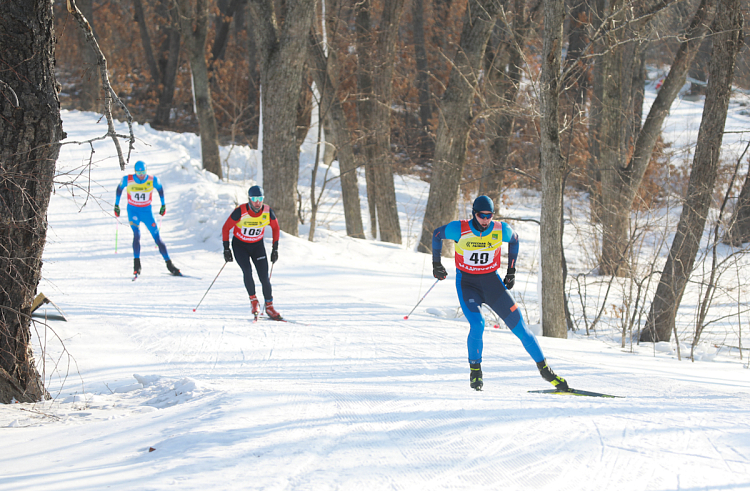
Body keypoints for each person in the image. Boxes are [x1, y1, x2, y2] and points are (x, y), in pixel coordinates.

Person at [431, 195, 568, 391]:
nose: (486, 220)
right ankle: (476, 371)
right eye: (481, 215)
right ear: (474, 214)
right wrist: (437, 264)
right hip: (468, 284)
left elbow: (515, 240)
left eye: (489, 215)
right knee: (478, 323)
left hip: (492, 283)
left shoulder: (499, 229)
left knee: (521, 328)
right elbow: (437, 234)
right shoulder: (459, 228)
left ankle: (546, 371)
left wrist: (511, 271)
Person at [222, 185, 282, 321]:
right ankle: (254, 301)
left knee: (264, 277)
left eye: (260, 198)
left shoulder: (267, 212)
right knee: (247, 271)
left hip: (257, 246)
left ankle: (269, 306)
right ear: (249, 199)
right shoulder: (240, 212)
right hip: (240, 246)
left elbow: (276, 228)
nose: (257, 202)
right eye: (254, 199)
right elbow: (226, 228)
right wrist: (226, 248)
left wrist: (275, 248)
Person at [114, 160, 181, 276]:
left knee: (157, 238)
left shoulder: (152, 180)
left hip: (147, 212)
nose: (141, 175)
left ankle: (170, 264)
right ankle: (137, 265)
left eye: (143, 172)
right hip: (133, 211)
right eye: (139, 173)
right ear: (135, 172)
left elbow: (160, 190)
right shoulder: (127, 179)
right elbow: (119, 190)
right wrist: (116, 205)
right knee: (137, 235)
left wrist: (163, 205)